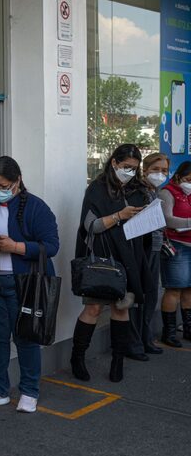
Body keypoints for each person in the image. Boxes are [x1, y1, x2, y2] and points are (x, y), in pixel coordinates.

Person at [0, 157, 59, 414]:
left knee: (25, 338)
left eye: (3, 185)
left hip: (22, 282)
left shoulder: (36, 207)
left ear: (17, 181)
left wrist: (17, 248)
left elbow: (51, 246)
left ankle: (29, 390)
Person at [71, 144, 153, 383]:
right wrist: (119, 216)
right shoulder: (96, 189)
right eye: (126, 167)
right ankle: (77, 357)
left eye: (134, 168)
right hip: (103, 259)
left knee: (121, 307)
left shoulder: (139, 190)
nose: (129, 172)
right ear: (114, 163)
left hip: (130, 258)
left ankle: (118, 360)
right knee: (94, 308)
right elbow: (91, 226)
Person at [135, 153, 169, 355]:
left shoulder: (155, 190)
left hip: (155, 245)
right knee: (144, 294)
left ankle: (145, 338)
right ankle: (139, 340)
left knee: (152, 294)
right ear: (145, 169)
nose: (160, 174)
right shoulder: (139, 190)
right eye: (156, 169)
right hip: (143, 247)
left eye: (164, 170)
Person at [158, 159, 191, 347]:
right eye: (188, 179)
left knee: (189, 289)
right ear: (178, 177)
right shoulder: (167, 193)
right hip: (177, 246)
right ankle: (169, 333)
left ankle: (188, 328)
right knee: (174, 289)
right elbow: (167, 219)